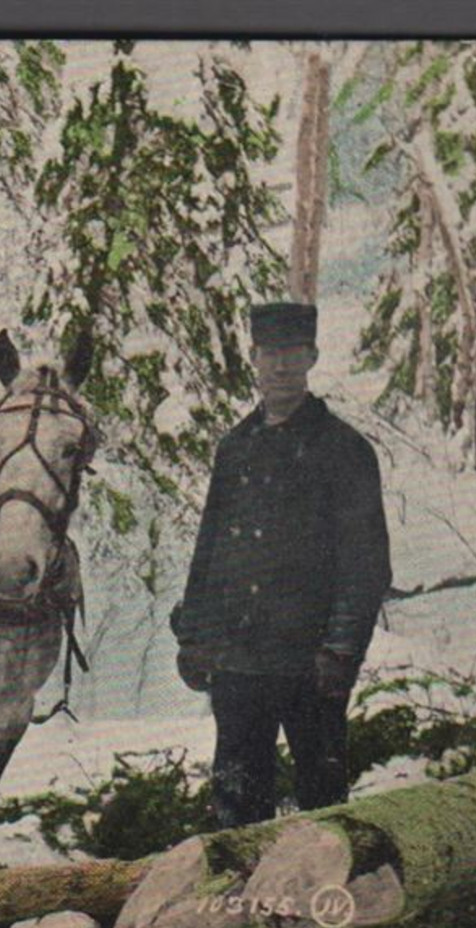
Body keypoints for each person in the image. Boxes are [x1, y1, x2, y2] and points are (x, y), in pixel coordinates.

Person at [170, 302, 392, 828]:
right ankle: (243, 899)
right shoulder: (236, 448)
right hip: (239, 662)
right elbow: (211, 549)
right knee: (237, 807)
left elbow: (367, 564)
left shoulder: (344, 449)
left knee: (324, 808)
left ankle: (328, 904)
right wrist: (195, 636)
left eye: (293, 353)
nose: (282, 366)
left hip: (309, 666)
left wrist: (340, 650)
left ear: (312, 357)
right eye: (271, 353)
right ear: (254, 358)